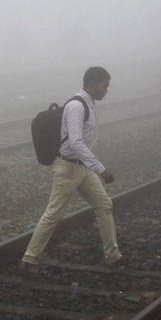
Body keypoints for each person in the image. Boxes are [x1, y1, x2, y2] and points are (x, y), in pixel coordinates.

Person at [21, 66, 124, 271]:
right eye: (104, 86)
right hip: (68, 168)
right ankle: (30, 258)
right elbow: (76, 142)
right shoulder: (77, 106)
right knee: (53, 214)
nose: (106, 90)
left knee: (104, 204)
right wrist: (101, 169)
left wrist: (91, 166)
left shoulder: (89, 103)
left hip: (82, 168)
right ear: (92, 84)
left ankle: (113, 256)